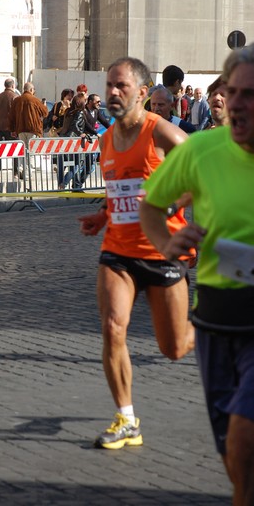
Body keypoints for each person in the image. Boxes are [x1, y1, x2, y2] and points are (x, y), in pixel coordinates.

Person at [139, 43, 254, 506]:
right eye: (234, 92)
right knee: (232, 449)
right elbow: (151, 204)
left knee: (245, 436)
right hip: (214, 323)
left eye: (252, 94)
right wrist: (167, 243)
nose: (240, 102)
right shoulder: (203, 149)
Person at [78, 56, 195, 450]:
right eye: (109, 84)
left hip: (163, 252)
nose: (112, 92)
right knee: (113, 327)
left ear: (142, 93)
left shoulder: (162, 134)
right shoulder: (106, 140)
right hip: (119, 251)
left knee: (173, 348)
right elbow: (120, 194)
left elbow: (202, 177)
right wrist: (102, 215)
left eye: (121, 86)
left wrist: (167, 202)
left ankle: (209, 327)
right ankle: (126, 419)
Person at [57, 93, 87, 191]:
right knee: (77, 165)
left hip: (64, 139)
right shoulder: (80, 112)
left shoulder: (68, 111)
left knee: (66, 164)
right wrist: (81, 133)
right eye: (85, 100)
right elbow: (75, 125)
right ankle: (64, 183)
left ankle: (61, 184)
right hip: (73, 141)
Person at [0, 78, 18, 177]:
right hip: (10, 128)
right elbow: (16, 115)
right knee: (15, 150)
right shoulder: (15, 97)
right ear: (12, 86)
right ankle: (15, 172)